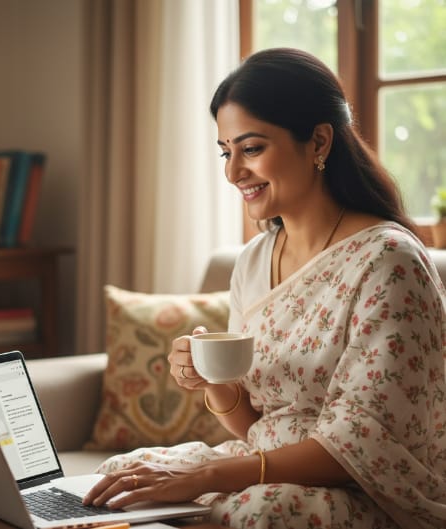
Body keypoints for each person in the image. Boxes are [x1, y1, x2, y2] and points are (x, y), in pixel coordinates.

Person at [82, 48, 446, 528]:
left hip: (371, 488)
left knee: (257, 513)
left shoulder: (388, 262)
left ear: (318, 142)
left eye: (251, 149)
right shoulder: (253, 260)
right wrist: (214, 381)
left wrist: (212, 474)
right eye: (225, 152)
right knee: (121, 477)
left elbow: (364, 445)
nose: (233, 173)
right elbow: (255, 426)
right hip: (265, 463)